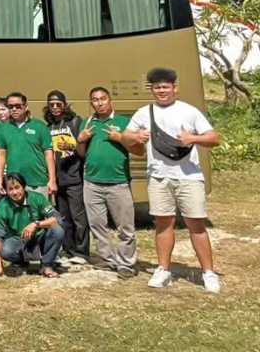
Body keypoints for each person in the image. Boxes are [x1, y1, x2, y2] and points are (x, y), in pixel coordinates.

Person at [124, 67, 222, 293]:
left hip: (189, 176)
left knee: (195, 224)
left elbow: (214, 138)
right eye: (157, 87)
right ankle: (163, 270)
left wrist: (192, 139)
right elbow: (127, 135)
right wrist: (136, 137)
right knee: (162, 222)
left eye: (165, 87)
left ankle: (208, 273)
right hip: (158, 176)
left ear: (174, 88)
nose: (162, 91)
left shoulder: (189, 111)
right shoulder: (144, 112)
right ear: (152, 90)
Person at [77, 86, 136, 278]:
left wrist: (120, 138)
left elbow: (139, 151)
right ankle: (110, 261)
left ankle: (126, 263)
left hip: (118, 183)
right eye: (95, 99)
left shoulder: (124, 122)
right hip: (92, 183)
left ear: (111, 101)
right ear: (91, 103)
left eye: (103, 98)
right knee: (97, 225)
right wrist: (81, 139)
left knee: (125, 227)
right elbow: (81, 154)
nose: (100, 102)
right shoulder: (88, 124)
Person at [45, 90, 89, 264]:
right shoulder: (48, 126)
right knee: (64, 217)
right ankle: (68, 249)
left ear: (65, 105)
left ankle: (82, 252)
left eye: (59, 104)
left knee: (79, 217)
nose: (55, 108)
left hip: (74, 176)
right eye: (52, 104)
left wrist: (70, 144)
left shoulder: (75, 121)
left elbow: (83, 148)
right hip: (57, 177)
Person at [0, 173, 64, 278]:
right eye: (11, 189)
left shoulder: (37, 198)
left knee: (58, 230)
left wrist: (36, 224)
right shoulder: (2, 206)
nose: (15, 192)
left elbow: (58, 219)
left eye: (17, 187)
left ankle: (46, 266)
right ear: (6, 191)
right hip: (18, 240)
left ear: (24, 186)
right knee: (6, 250)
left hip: (39, 237)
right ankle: (22, 263)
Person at [0, 93, 56, 200]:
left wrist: (52, 180)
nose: (14, 109)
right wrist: (0, 180)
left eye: (18, 106)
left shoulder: (39, 126)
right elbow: (1, 154)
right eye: (10, 107)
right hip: (15, 184)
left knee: (41, 216)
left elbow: (49, 154)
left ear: (26, 106)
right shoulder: (3, 128)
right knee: (18, 216)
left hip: (38, 182)